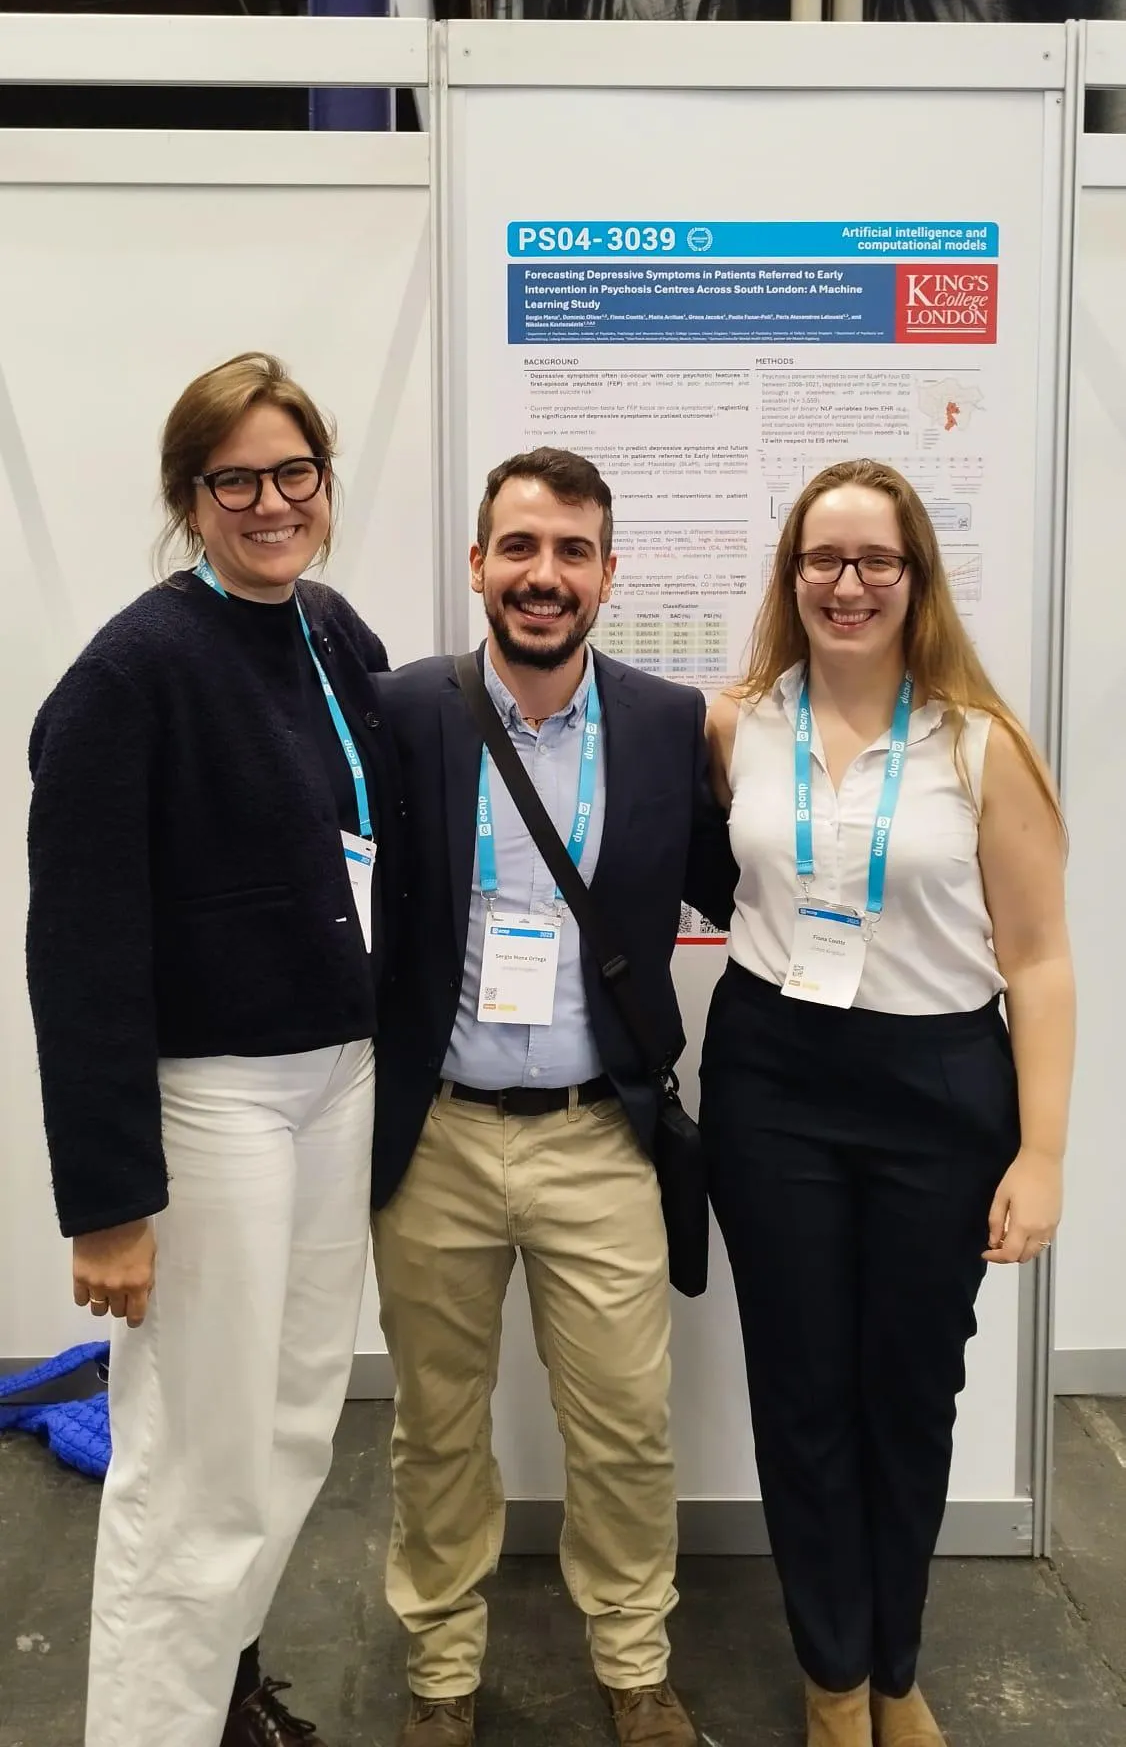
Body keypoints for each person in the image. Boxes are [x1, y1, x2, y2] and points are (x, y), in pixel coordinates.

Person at [25, 352, 402, 1747]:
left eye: (291, 472)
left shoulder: (332, 634)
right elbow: (77, 962)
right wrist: (111, 1206)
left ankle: (215, 1696)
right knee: (192, 1465)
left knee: (297, 1425)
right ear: (191, 499)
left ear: (322, 481)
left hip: (338, 1081)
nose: (269, 501)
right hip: (213, 1107)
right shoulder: (130, 676)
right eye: (233, 479)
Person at [700, 459, 1074, 1747]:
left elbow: (1037, 957)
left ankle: (897, 1668)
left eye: (874, 563)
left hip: (938, 1087)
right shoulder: (734, 721)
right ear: (789, 575)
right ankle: (833, 1676)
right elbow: (719, 881)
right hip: (774, 1083)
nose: (846, 585)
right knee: (799, 1391)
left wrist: (1043, 1150)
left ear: (916, 580)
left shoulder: (981, 743)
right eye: (821, 561)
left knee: (910, 1394)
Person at [371, 447, 737, 1747]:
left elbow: (738, 883)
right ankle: (442, 1669)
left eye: (570, 551)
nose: (542, 575)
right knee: (435, 1426)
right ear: (478, 565)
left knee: (626, 1431)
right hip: (438, 1145)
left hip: (599, 1139)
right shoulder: (405, 711)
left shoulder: (664, 722)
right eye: (518, 548)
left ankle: (634, 1666)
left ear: (606, 574)